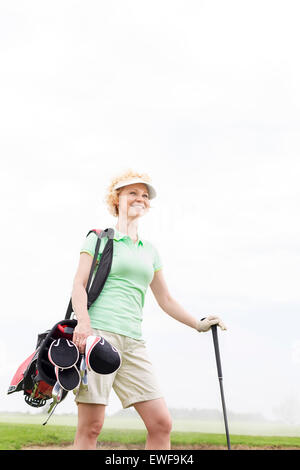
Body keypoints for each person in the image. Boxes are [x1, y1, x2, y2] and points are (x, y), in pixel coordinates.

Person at [71, 169, 227, 450]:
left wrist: (198, 323)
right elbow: (79, 285)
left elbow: (165, 299)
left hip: (133, 342)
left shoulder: (149, 250)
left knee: (161, 423)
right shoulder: (98, 239)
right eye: (132, 192)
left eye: (144, 195)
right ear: (116, 198)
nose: (139, 198)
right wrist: (83, 322)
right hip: (98, 337)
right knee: (91, 427)